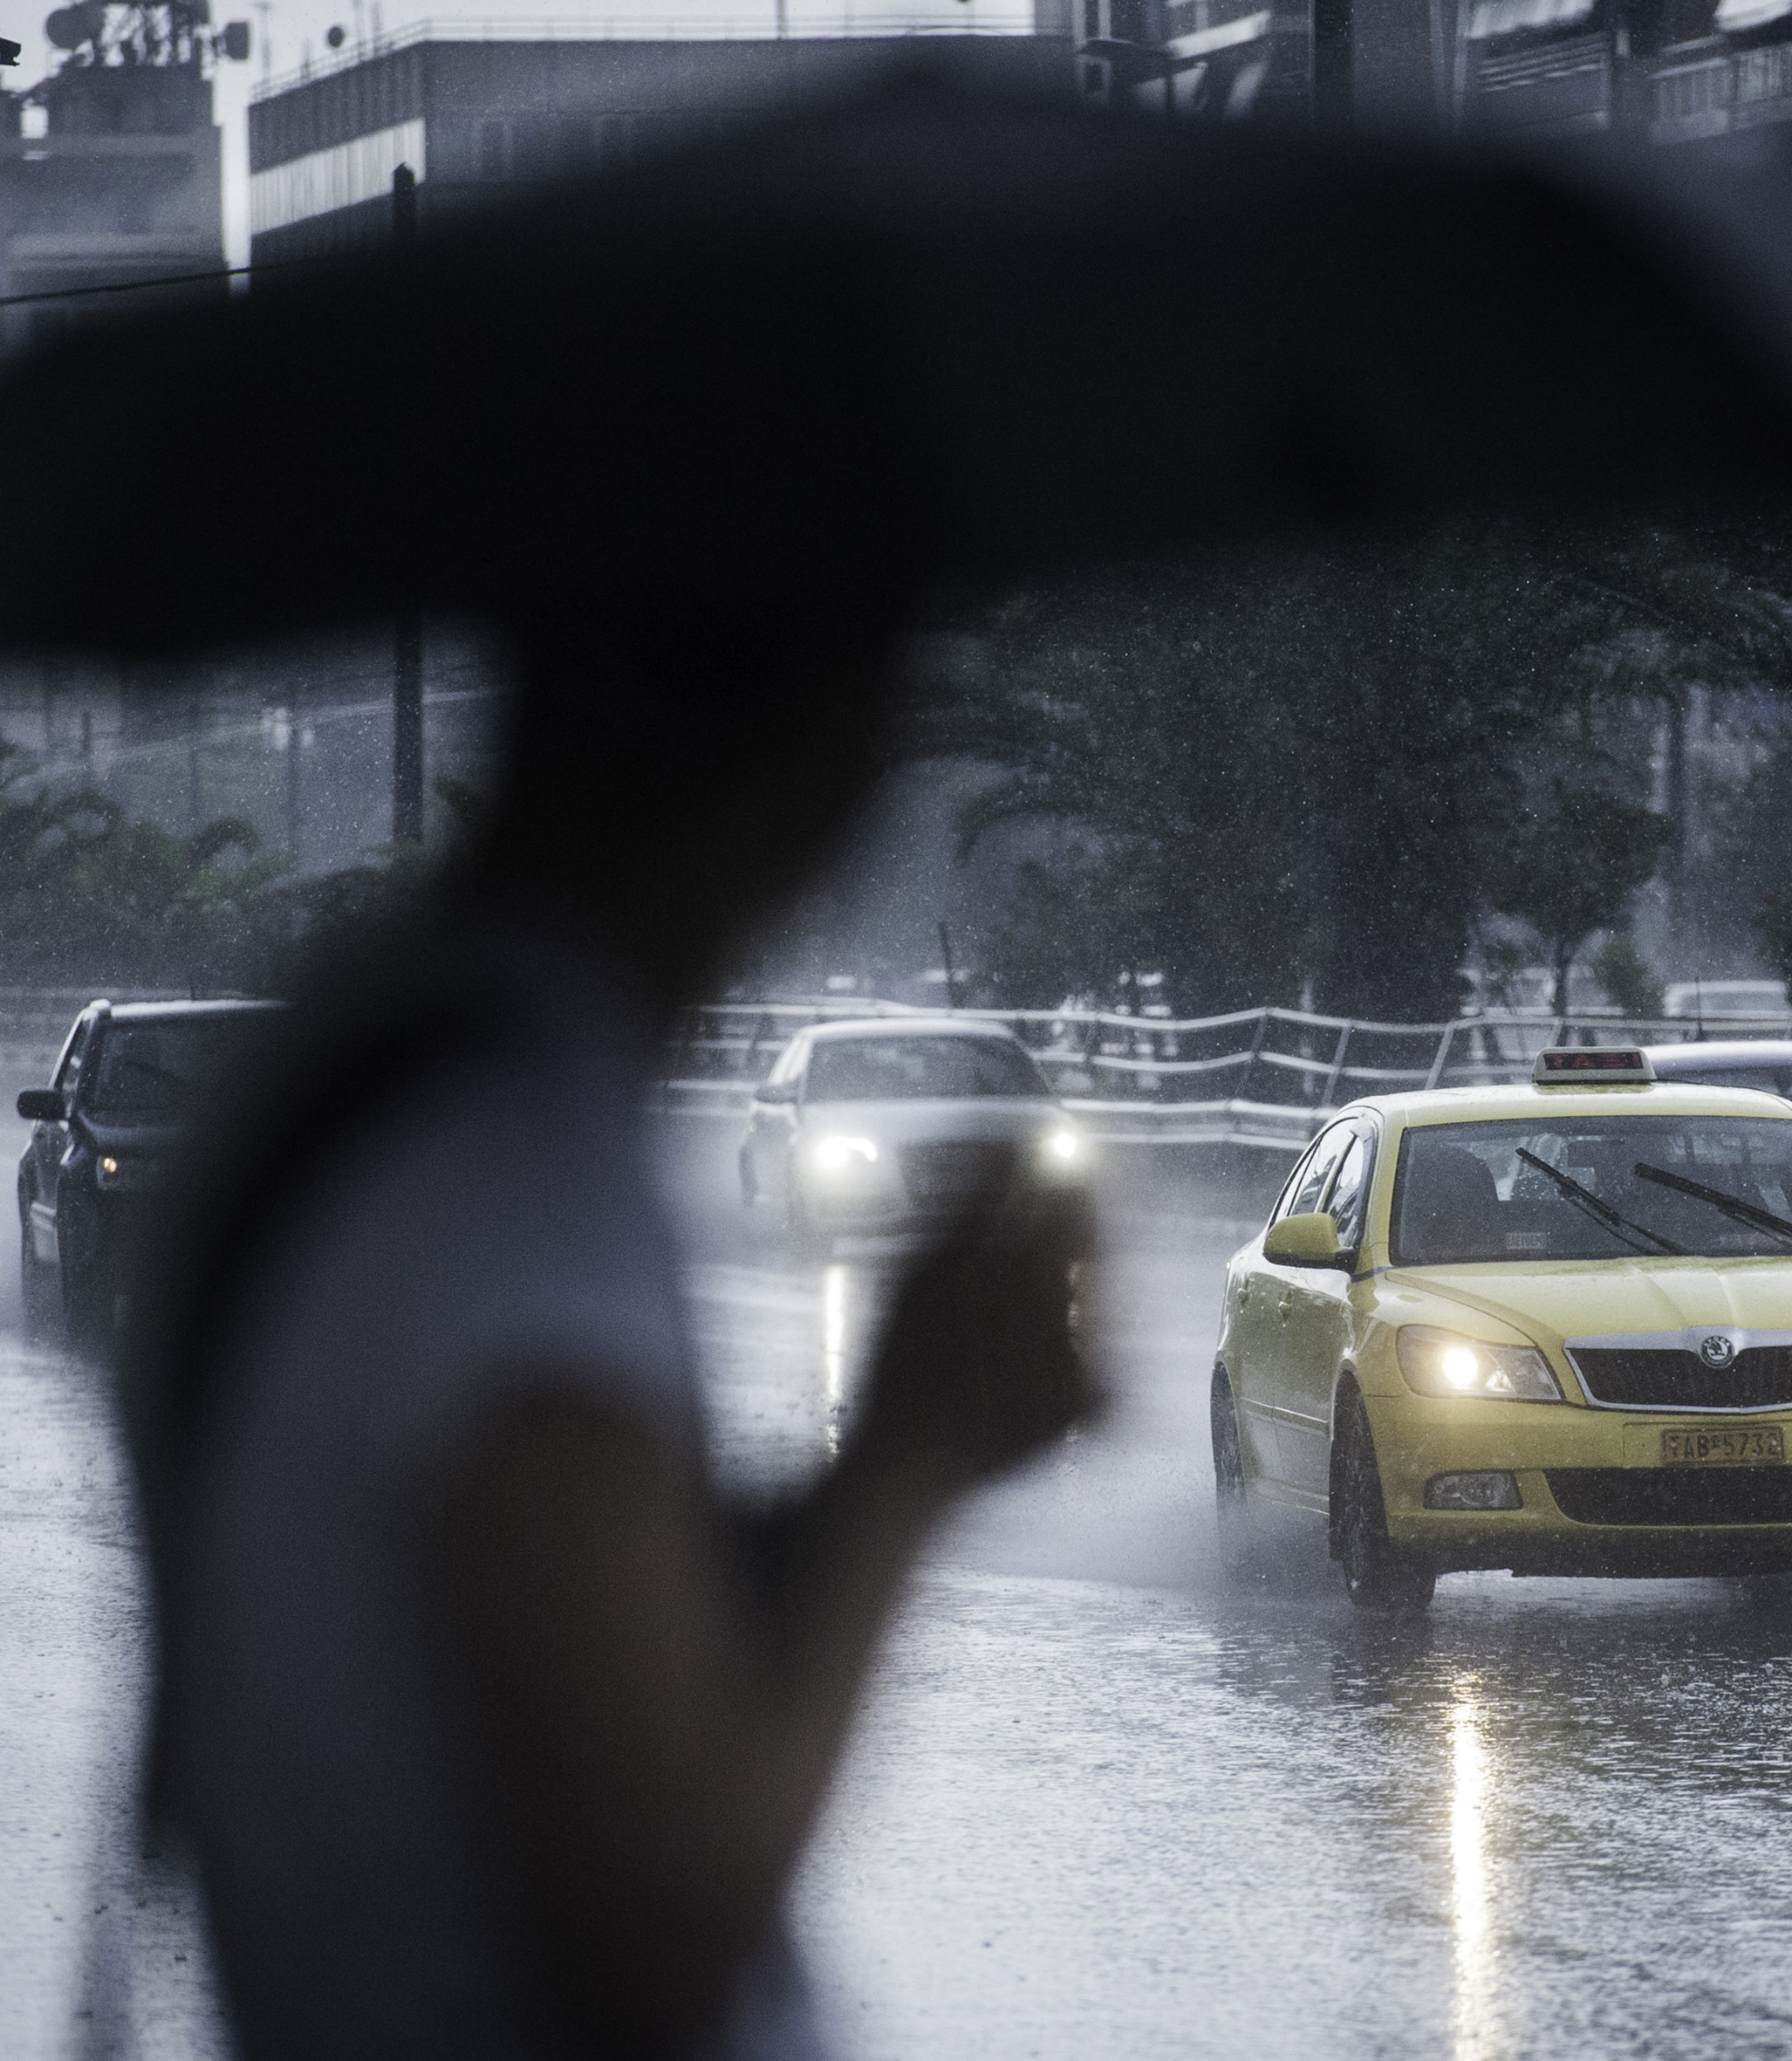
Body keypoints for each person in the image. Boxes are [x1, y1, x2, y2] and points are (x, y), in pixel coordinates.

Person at [117, 639, 1099, 2060]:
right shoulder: (515, 1162)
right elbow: (662, 1922)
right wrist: (913, 1443)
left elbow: (566, 1641)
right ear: (803, 764)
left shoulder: (368, 1064)